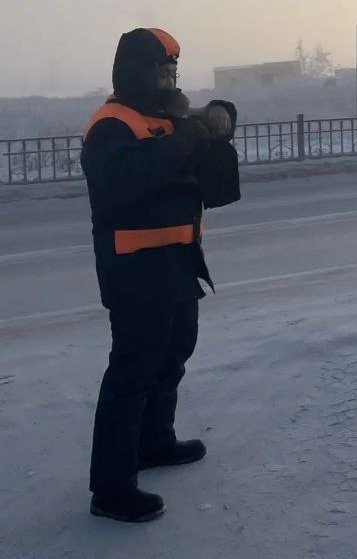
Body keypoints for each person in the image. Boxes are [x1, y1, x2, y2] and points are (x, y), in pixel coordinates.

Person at [81, 27, 240, 522]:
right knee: (132, 374)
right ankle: (111, 489)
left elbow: (214, 185)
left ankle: (155, 442)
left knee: (172, 357)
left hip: (177, 261)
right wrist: (189, 137)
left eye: (173, 70)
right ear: (135, 73)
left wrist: (219, 120)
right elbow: (126, 185)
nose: (168, 79)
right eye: (160, 70)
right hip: (135, 269)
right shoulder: (111, 126)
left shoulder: (169, 119)